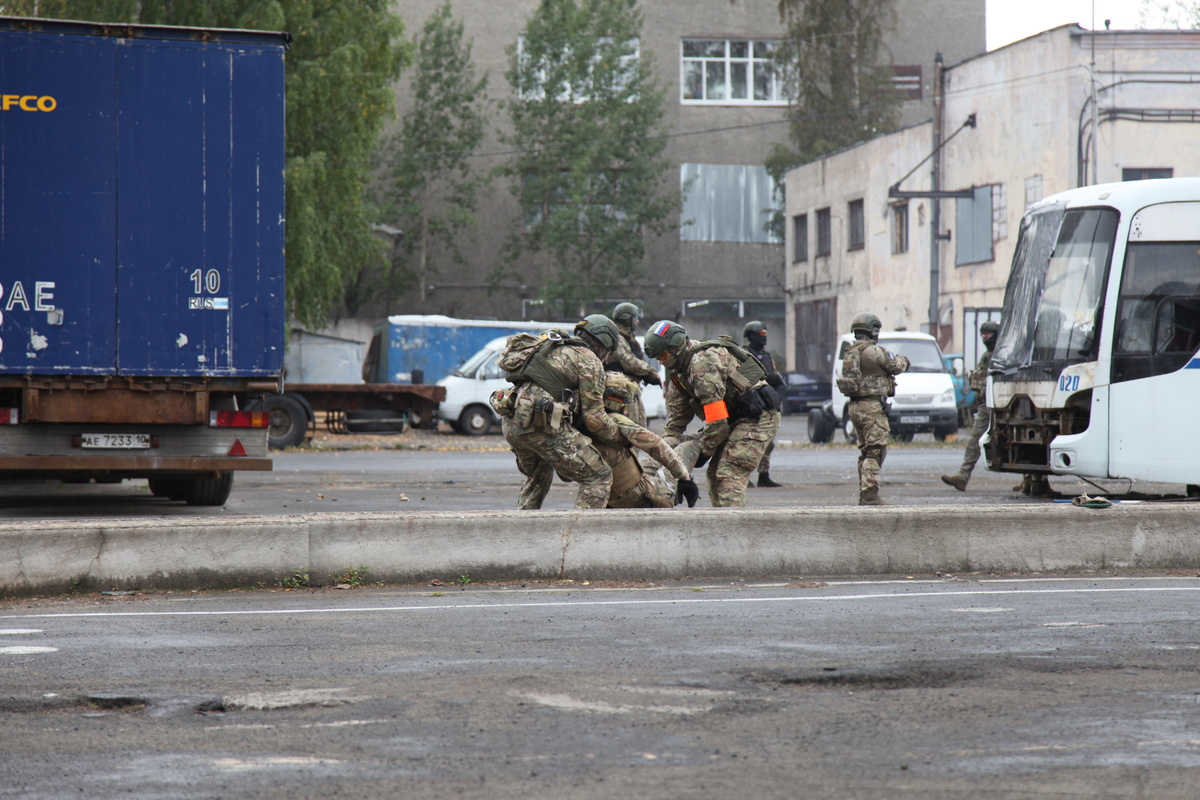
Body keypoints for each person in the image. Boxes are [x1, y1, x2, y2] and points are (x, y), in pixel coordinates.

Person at [643, 319, 781, 507]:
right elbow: (677, 419)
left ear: (675, 346)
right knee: (714, 475)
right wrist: (670, 456)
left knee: (728, 473)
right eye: (657, 358)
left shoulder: (702, 364)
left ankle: (732, 529)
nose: (661, 361)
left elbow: (716, 421)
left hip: (758, 417)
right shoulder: (677, 371)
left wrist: (701, 454)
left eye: (663, 355)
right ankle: (722, 527)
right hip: (733, 417)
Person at [491, 315, 624, 510]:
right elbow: (594, 418)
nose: (607, 357)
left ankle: (523, 530)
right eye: (609, 351)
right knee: (599, 476)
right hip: (540, 425)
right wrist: (620, 436)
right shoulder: (589, 359)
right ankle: (581, 535)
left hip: (512, 423)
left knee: (538, 477)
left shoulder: (553, 347)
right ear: (603, 341)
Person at [591, 373, 699, 508]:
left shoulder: (585, 423)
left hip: (623, 487)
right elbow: (655, 444)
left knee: (671, 441)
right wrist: (685, 479)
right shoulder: (614, 421)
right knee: (690, 446)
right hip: (639, 497)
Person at [836, 312, 910, 505]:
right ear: (874, 330)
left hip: (855, 407)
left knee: (866, 451)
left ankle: (864, 493)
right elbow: (895, 366)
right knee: (875, 450)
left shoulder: (850, 352)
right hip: (871, 407)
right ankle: (870, 494)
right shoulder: (873, 351)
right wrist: (904, 360)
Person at [941, 320, 1000, 492]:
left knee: (1013, 441)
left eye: (987, 334)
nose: (984, 337)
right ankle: (963, 476)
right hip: (986, 404)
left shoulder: (1002, 354)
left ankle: (1032, 481)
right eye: (982, 334)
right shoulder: (988, 355)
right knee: (975, 440)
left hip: (1001, 404)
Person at [742, 320, 786, 488]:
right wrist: (768, 378)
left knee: (769, 443)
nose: (764, 337)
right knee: (749, 443)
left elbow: (773, 374)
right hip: (753, 404)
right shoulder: (744, 354)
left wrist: (776, 380)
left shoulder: (767, 355)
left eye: (765, 334)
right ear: (751, 336)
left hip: (768, 403)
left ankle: (764, 475)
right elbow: (745, 378)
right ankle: (743, 476)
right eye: (760, 334)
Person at [607, 302, 662, 426]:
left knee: (640, 427)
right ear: (627, 319)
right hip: (621, 393)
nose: (637, 321)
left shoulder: (628, 337)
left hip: (631, 391)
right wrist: (651, 372)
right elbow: (629, 362)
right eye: (635, 318)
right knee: (630, 430)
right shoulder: (617, 338)